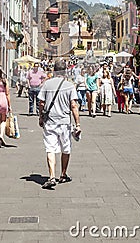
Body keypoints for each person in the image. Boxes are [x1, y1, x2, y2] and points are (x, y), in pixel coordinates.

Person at [38, 59, 81, 189]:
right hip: (64, 123)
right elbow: (73, 105)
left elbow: (41, 103)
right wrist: (77, 123)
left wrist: (41, 117)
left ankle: (51, 176)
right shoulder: (69, 85)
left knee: (50, 149)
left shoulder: (46, 84)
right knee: (66, 149)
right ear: (65, 70)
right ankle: (63, 174)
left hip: (50, 121)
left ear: (54, 70)